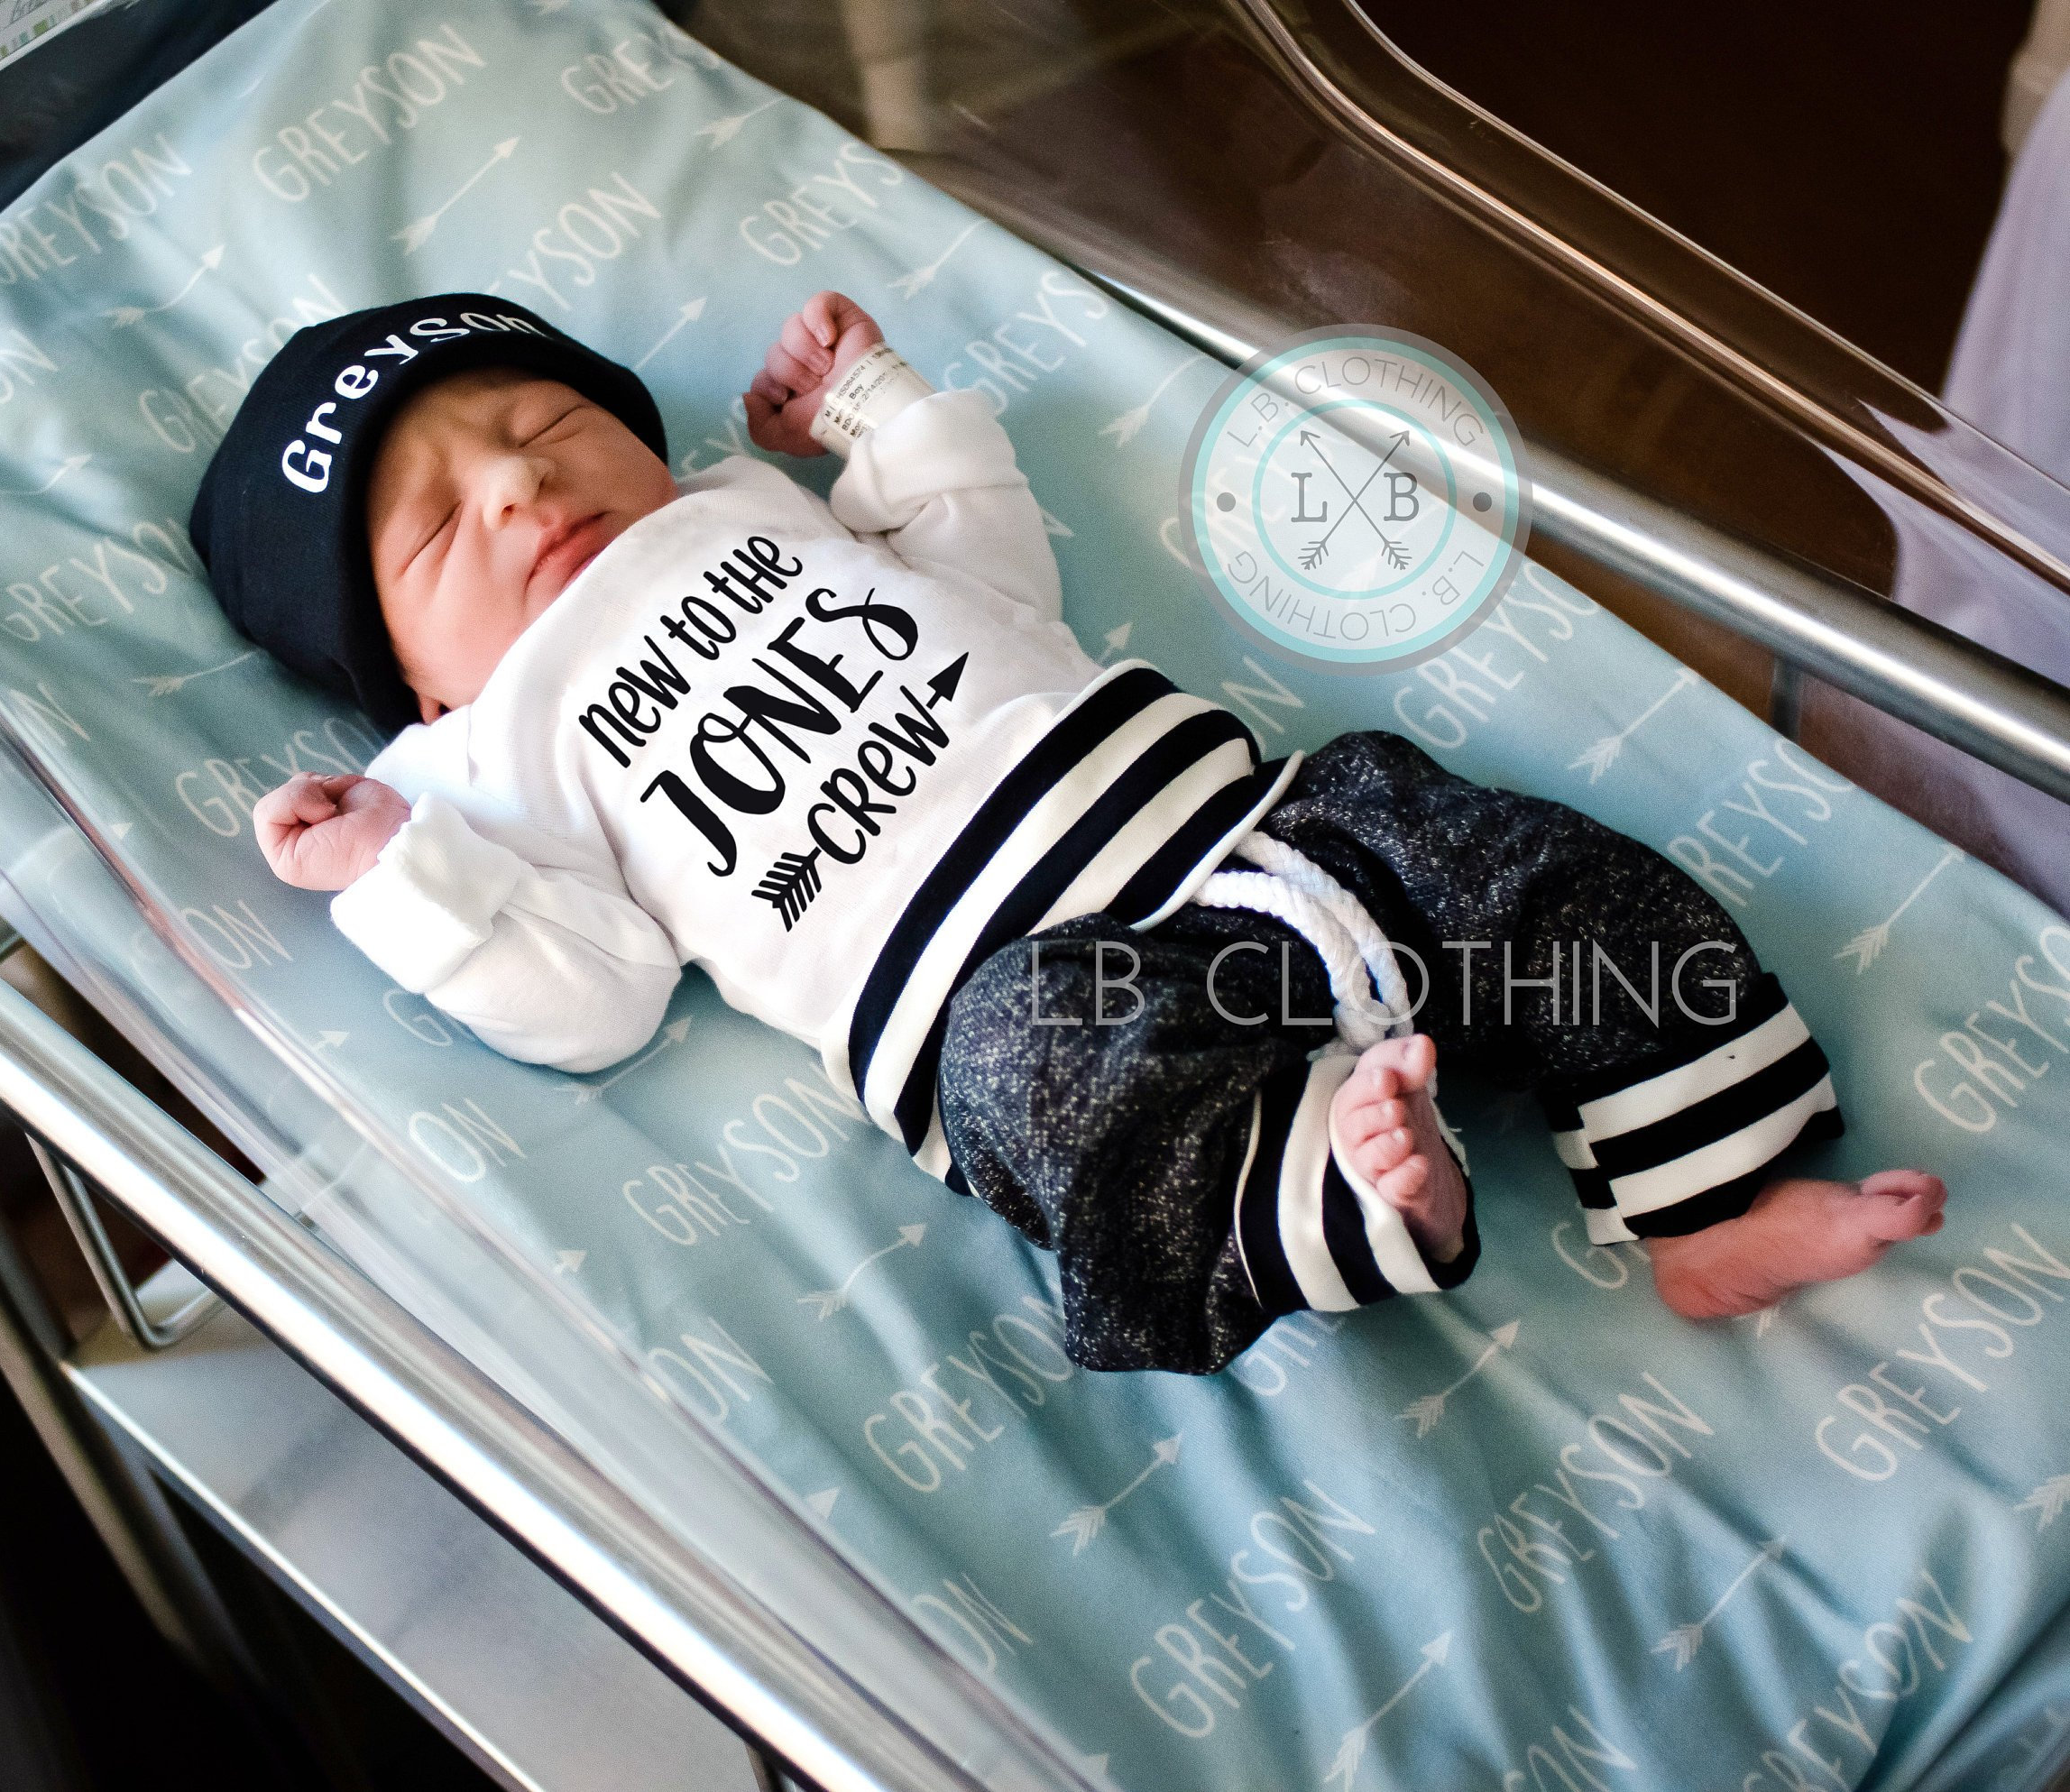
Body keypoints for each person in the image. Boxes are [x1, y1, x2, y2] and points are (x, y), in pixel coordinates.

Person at [189, 290, 1946, 1374]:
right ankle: (1337, 1190)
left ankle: (1713, 1183)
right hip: (1027, 994)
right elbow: (602, 992)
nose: (518, 483)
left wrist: (871, 417)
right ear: (403, 679)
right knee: (1054, 1088)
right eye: (435, 527)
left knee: (1514, 865)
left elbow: (983, 567)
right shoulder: (476, 765)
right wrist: (394, 877)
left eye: (542, 422)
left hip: (1269, 835)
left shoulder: (746, 505)